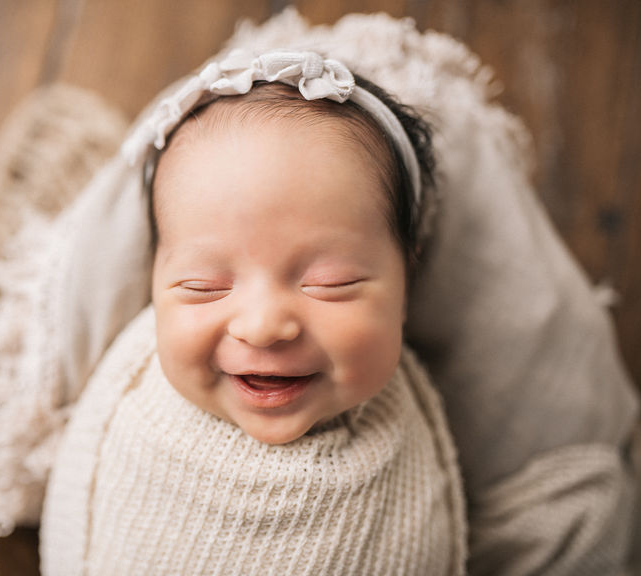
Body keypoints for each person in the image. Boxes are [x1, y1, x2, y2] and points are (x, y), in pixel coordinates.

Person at [40, 50, 467, 575]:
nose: (263, 326)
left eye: (330, 283)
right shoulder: (135, 404)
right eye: (204, 286)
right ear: (153, 286)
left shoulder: (407, 446)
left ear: (407, 282)